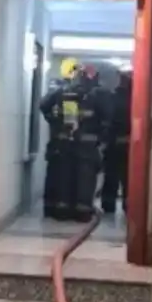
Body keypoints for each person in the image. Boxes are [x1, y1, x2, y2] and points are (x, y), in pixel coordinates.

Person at [40, 62, 111, 222]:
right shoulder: (98, 94)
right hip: (87, 146)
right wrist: (102, 138)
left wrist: (53, 121)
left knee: (63, 178)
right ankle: (82, 213)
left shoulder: (63, 92)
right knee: (85, 180)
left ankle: (62, 211)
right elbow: (107, 120)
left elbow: (44, 105)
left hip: (64, 145)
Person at [101, 70, 132, 214]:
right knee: (128, 178)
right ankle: (128, 205)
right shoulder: (137, 99)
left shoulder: (111, 98)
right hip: (129, 145)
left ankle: (108, 206)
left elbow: (107, 120)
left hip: (113, 144)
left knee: (111, 177)